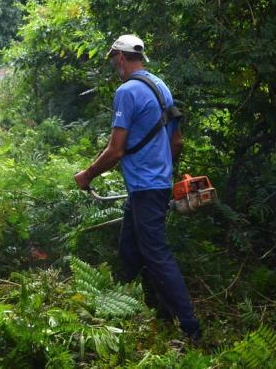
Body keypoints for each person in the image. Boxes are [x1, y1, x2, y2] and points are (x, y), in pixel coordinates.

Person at [73, 34, 201, 343]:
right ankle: (146, 313)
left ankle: (190, 329)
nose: (114, 63)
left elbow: (116, 149)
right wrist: (162, 172)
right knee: (129, 249)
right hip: (151, 187)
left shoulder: (127, 92)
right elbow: (177, 141)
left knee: (157, 254)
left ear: (120, 57)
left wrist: (87, 175)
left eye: (114, 57)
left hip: (146, 188)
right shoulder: (161, 87)